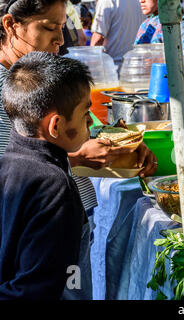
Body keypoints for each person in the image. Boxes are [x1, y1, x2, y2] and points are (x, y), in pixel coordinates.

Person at [0, 0, 157, 218]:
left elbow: (79, 128)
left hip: (75, 207)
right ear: (10, 25)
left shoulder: (45, 76)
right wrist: (78, 158)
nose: (60, 40)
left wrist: (125, 144)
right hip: (39, 216)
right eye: (48, 28)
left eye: (62, 27)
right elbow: (9, 166)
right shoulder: (7, 85)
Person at [0, 51, 94, 299]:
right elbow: (35, 289)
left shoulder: (5, 164)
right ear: (56, 125)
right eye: (86, 114)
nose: (91, 123)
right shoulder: (54, 186)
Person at [90, 0, 145, 69]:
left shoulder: (107, 1)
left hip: (114, 67)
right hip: (138, 66)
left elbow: (97, 40)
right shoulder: (142, 2)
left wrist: (92, 65)